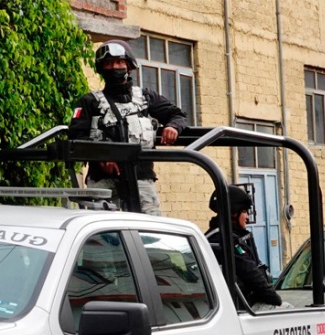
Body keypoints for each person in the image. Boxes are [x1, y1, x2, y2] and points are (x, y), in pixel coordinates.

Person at [67, 40, 188, 215]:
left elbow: (178, 115)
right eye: (108, 64)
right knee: (105, 236)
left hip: (141, 180)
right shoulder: (89, 102)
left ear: (129, 66)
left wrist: (173, 127)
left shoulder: (145, 97)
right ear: (101, 69)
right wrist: (102, 158)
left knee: (150, 231)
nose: (114, 67)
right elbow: (75, 137)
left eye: (119, 62)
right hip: (103, 183)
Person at [205, 186, 290, 311]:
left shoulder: (228, 236)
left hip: (241, 304)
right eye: (244, 212)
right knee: (287, 309)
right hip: (241, 307)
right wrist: (275, 299)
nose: (247, 218)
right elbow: (251, 274)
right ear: (233, 213)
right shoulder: (223, 240)